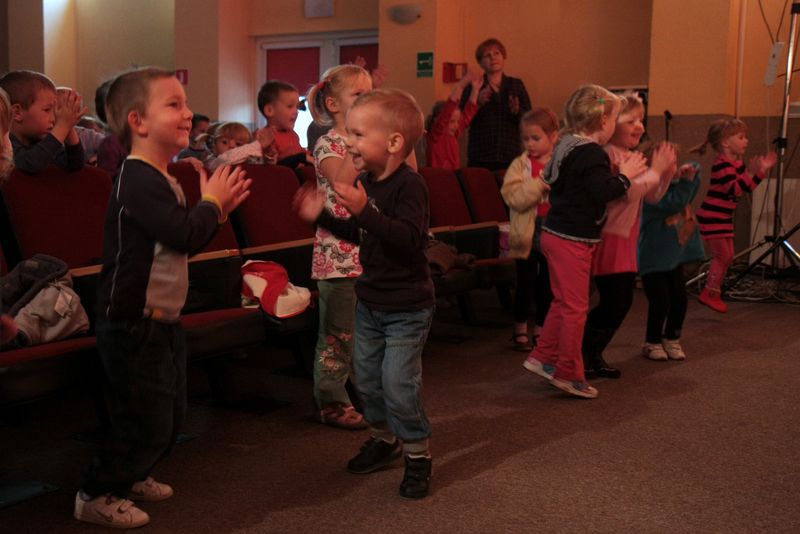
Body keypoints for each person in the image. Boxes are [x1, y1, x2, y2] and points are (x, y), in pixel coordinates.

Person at [74, 67, 251, 529]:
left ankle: (133, 474)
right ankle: (95, 493)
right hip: (132, 320)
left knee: (170, 411)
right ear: (138, 121)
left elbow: (181, 238)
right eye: (173, 104)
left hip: (162, 317)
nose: (188, 112)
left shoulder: (161, 176)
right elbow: (182, 234)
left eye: (186, 102)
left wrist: (214, 208)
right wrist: (212, 205)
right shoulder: (135, 177)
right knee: (142, 417)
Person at [294, 89, 435, 499]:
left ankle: (417, 454)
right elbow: (362, 236)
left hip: (407, 308)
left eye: (357, 135)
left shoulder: (411, 187)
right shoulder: (368, 183)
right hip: (371, 303)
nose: (348, 143)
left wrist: (364, 212)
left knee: (397, 384)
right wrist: (320, 216)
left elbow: (408, 240)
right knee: (369, 383)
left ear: (393, 143)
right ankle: (384, 438)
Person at [522, 85, 646, 399]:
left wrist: (610, 175)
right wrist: (625, 175)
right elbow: (602, 192)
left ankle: (541, 357)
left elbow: (571, 182)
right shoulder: (591, 152)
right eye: (616, 120)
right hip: (572, 239)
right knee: (576, 308)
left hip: (556, 234)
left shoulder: (568, 143)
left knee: (563, 303)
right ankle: (568, 372)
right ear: (602, 120)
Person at [581, 93, 676, 377]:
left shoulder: (631, 157)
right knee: (614, 302)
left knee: (621, 303)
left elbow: (652, 197)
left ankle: (592, 354)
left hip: (626, 238)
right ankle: (582, 353)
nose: (639, 126)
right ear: (608, 123)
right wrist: (654, 171)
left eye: (642, 120)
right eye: (630, 120)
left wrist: (666, 172)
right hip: (610, 236)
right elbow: (623, 192)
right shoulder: (608, 154)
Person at [304, 64, 373, 429]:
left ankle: (365, 394)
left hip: (366, 251)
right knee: (338, 334)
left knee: (365, 333)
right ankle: (330, 401)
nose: (369, 100)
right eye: (359, 95)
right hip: (337, 257)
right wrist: (360, 144)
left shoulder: (370, 141)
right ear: (333, 104)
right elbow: (342, 181)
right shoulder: (328, 143)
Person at [692, 118, 777, 313]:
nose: (746, 141)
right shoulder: (722, 165)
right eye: (741, 137)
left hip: (722, 217)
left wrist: (760, 171)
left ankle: (713, 291)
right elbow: (734, 188)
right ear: (725, 142)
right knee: (722, 255)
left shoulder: (736, 164)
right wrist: (753, 172)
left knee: (728, 256)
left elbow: (747, 187)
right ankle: (710, 292)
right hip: (712, 216)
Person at [638, 145, 705, 361]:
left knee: (679, 299)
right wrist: (686, 181)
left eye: (674, 162)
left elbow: (691, 187)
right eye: (668, 162)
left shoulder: (676, 185)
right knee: (660, 301)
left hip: (673, 258)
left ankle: (672, 337)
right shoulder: (650, 192)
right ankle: (652, 341)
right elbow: (674, 202)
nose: (673, 167)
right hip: (653, 257)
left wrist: (689, 172)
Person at [500, 107, 558, 351]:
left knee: (547, 283)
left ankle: (541, 328)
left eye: (536, 138)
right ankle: (520, 328)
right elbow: (513, 196)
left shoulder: (559, 163)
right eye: (526, 139)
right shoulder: (520, 165)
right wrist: (540, 185)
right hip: (527, 229)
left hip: (552, 229)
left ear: (553, 136)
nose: (530, 144)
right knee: (525, 282)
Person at [460, 38, 531, 170]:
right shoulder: (473, 87)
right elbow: (461, 121)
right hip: (481, 154)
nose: (493, 58)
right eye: (487, 55)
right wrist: (477, 102)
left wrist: (517, 111)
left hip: (510, 153)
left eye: (497, 53)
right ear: (481, 63)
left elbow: (529, 119)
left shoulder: (516, 84)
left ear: (503, 57)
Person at [0, 70, 86, 174]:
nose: (53, 119)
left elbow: (75, 164)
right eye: (47, 110)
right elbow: (30, 164)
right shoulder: (6, 143)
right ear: (17, 113)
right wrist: (62, 126)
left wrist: (69, 127)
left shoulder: (39, 140)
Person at [425, 72, 482, 169]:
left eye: (457, 121)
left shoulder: (454, 134)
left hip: (452, 177)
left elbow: (469, 113)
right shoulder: (436, 135)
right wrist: (461, 85)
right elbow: (448, 109)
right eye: (452, 122)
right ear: (436, 120)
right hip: (438, 177)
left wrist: (475, 90)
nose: (456, 125)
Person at [257, 79, 311, 167]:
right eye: (290, 106)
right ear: (269, 110)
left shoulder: (293, 135)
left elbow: (302, 152)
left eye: (297, 107)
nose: (296, 111)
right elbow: (270, 165)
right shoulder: (265, 136)